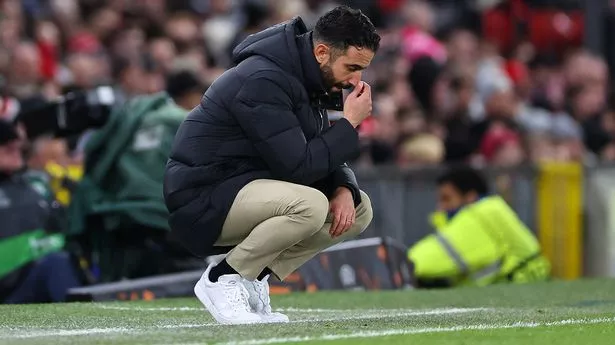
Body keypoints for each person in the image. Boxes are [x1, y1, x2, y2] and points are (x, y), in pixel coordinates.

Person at [164, 6, 379, 325]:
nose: (355, 80)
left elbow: (312, 149)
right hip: (203, 197)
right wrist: (349, 124)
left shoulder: (307, 79)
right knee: (310, 205)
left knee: (359, 209)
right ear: (322, 52)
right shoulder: (264, 78)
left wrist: (344, 187)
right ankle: (222, 277)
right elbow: (299, 168)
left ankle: (252, 276)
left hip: (242, 188)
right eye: (351, 67)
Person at [407, 166, 551, 288]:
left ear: (470, 197)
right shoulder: (492, 211)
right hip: (527, 287)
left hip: (516, 292)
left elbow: (425, 258)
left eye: (447, 199)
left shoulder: (478, 215)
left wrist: (399, 265)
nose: (441, 207)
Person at [0, 120, 81, 304]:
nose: (15, 150)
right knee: (56, 263)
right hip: (10, 292)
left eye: (16, 146)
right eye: (6, 147)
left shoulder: (35, 186)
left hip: (37, 279)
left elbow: (63, 226)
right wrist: (38, 246)